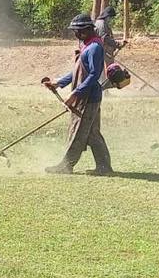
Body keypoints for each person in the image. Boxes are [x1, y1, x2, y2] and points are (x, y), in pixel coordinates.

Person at [41, 13, 113, 176]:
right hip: (87, 97)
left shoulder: (94, 48)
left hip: (88, 98)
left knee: (78, 131)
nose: (75, 34)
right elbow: (77, 71)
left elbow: (94, 74)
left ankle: (66, 165)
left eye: (77, 31)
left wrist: (76, 94)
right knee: (93, 133)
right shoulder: (86, 45)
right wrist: (59, 82)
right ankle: (104, 167)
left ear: (86, 30)